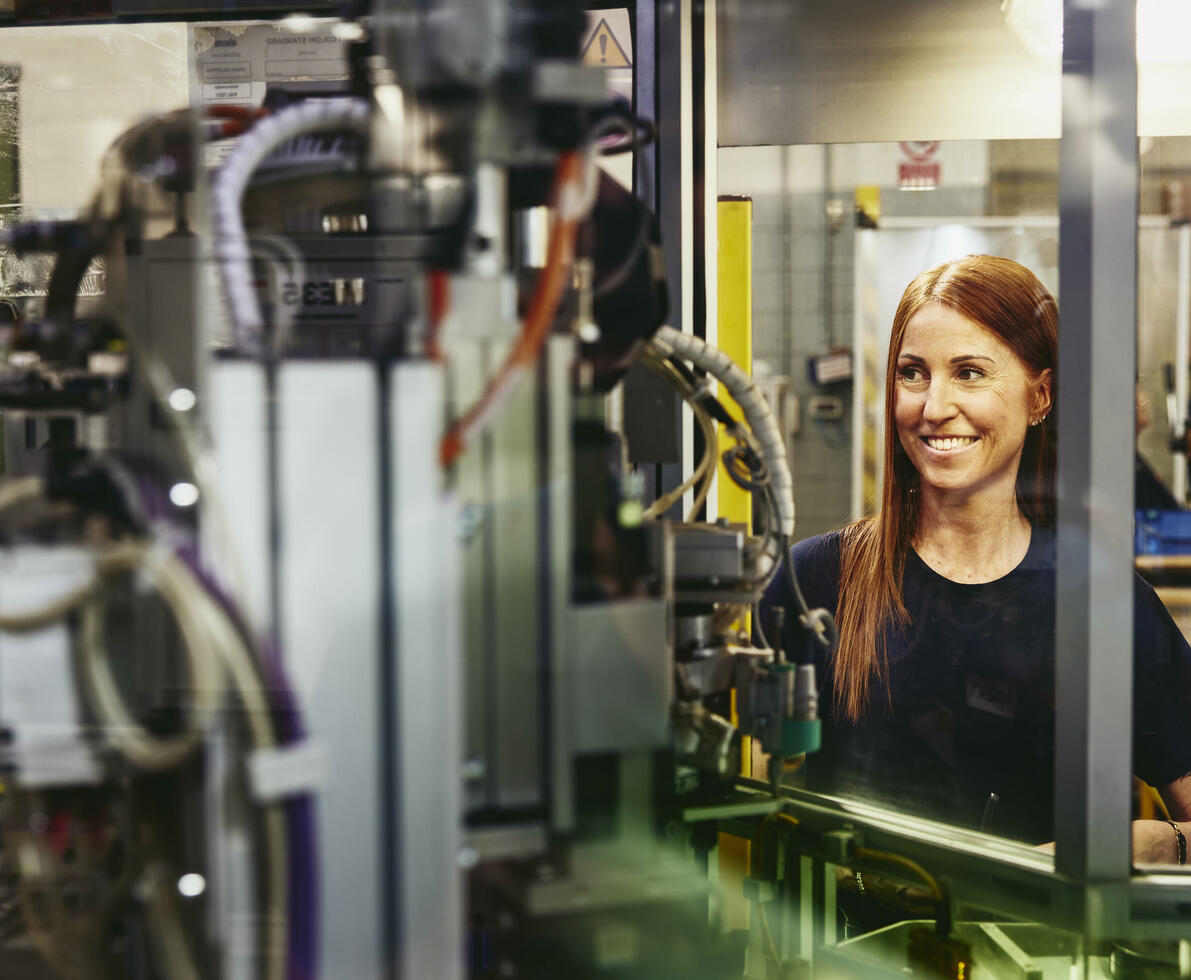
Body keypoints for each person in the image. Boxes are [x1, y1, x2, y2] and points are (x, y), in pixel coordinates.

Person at [764, 254, 1191, 861]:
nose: (934, 406)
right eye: (913, 374)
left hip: (1047, 952)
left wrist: (1154, 843)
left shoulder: (1098, 599)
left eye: (968, 373)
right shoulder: (819, 581)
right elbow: (748, 794)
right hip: (860, 948)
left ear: (1040, 395)